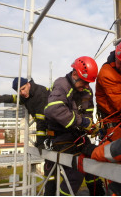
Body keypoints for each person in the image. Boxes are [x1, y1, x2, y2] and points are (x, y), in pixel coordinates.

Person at [44, 56, 105, 196]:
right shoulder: (62, 84)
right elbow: (54, 109)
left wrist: (90, 126)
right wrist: (82, 122)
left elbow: (88, 111)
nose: (87, 86)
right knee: (75, 174)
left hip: (77, 136)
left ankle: (98, 192)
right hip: (60, 137)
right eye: (84, 82)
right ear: (75, 74)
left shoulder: (86, 91)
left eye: (89, 83)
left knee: (93, 163)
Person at [0, 77, 56, 195]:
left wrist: (40, 141)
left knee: (56, 165)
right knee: (50, 167)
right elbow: (15, 98)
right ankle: (50, 192)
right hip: (50, 131)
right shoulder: (28, 95)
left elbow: (41, 121)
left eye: (23, 89)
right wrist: (2, 98)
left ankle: (51, 192)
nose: (22, 93)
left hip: (56, 130)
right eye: (19, 91)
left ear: (28, 84)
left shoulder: (39, 94)